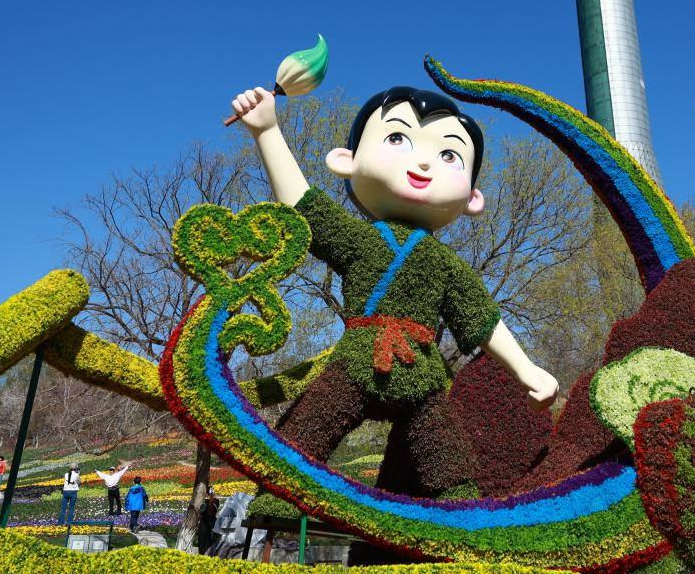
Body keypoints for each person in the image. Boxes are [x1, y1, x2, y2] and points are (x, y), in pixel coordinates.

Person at [229, 85, 558, 497]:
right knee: (307, 429)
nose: (424, 161)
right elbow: (303, 205)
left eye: (449, 155)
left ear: (473, 199)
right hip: (357, 358)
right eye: (398, 137)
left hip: (420, 369)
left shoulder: (444, 263)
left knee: (448, 457)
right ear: (346, 161)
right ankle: (280, 499)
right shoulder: (359, 239)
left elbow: (480, 318)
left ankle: (460, 513)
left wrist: (526, 370)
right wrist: (267, 131)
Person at [197, 487, 219, 554]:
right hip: (213, 524)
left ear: (206, 493)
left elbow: (200, 512)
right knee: (211, 543)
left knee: (202, 545)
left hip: (204, 525)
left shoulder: (203, 502)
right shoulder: (216, 501)